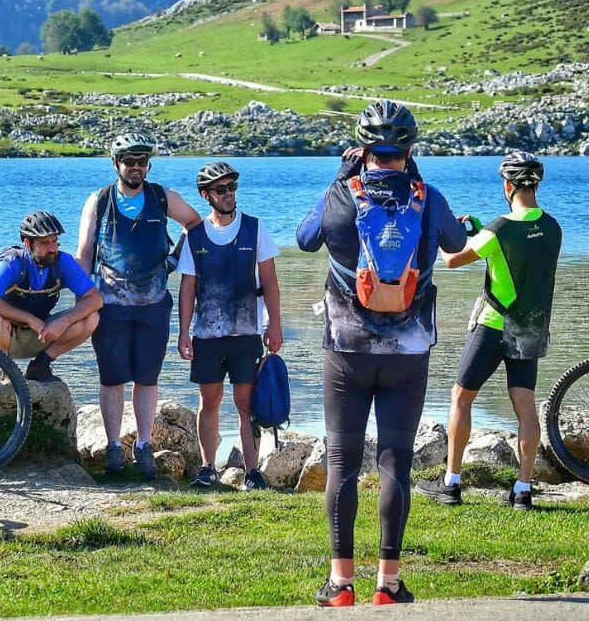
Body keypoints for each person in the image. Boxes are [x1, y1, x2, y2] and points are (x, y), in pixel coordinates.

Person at [296, 100, 466, 607]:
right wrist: (421, 183)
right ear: (409, 150)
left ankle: (341, 583)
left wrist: (337, 179)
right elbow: (457, 241)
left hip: (347, 350)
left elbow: (305, 239)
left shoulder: (342, 196)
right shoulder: (427, 196)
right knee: (396, 461)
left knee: (343, 460)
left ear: (363, 148)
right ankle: (388, 584)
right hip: (408, 351)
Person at [415, 152, 561, 511]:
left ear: (508, 185)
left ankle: (451, 484)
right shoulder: (554, 228)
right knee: (525, 406)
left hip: (494, 326)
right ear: (536, 184)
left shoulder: (500, 228)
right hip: (530, 328)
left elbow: (452, 261)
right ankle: (523, 490)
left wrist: (441, 232)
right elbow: (520, 256)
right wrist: (483, 233)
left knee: (461, 397)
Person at [75, 132, 201, 480]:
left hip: (154, 305)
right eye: (129, 161)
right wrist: (81, 297)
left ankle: (143, 446)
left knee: (147, 378)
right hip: (110, 306)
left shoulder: (162, 197)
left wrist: (174, 261)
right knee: (112, 378)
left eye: (141, 161)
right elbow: (84, 252)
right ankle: (114, 447)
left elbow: (194, 223)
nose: (135, 167)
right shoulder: (99, 201)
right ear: (116, 164)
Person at [176, 161, 283, 492]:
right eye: (221, 190)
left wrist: (275, 325)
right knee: (209, 403)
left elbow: (270, 282)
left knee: (246, 405)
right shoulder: (194, 237)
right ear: (206, 195)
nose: (228, 195)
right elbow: (187, 289)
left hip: (246, 334)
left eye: (232, 188)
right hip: (206, 337)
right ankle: (208, 468)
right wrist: (182, 332)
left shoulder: (255, 228)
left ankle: (252, 472)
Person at [0, 211, 103, 382]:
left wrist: (63, 322)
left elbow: (95, 299)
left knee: (91, 318)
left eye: (54, 241)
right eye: (44, 243)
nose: (52, 249)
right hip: (6, 335)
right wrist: (28, 319)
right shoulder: (13, 263)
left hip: (41, 333)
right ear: (28, 244)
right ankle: (5, 370)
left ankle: (41, 364)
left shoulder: (63, 262)